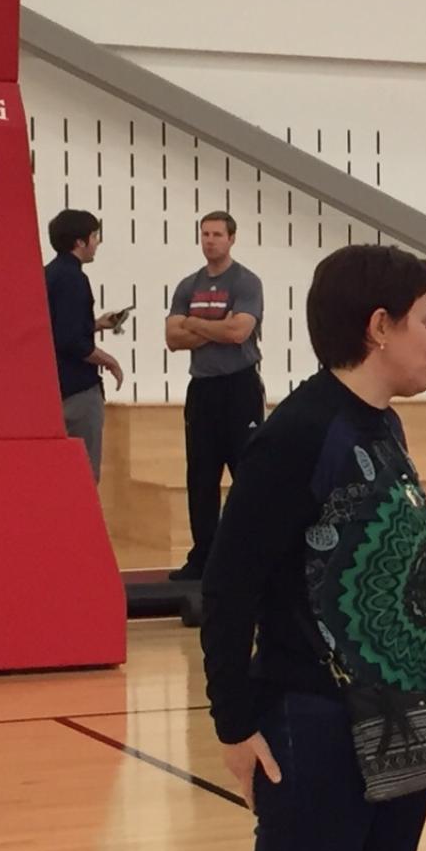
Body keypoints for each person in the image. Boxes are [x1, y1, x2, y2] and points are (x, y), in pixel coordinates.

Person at [199, 243, 426, 851]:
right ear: (379, 327)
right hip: (318, 724)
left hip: (400, 718)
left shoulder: (384, 424)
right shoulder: (299, 435)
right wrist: (234, 722)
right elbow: (230, 582)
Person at [166, 210, 265, 581]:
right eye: (205, 234)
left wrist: (194, 324)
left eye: (217, 234)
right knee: (201, 476)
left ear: (232, 238)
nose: (210, 240)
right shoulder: (188, 286)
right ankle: (203, 557)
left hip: (239, 386)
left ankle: (248, 555)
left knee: (248, 472)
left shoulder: (246, 282)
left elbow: (239, 333)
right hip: (203, 390)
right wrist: (216, 326)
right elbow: (173, 338)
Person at [44, 208, 123, 481]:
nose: (97, 242)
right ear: (80, 241)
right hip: (78, 391)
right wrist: (109, 361)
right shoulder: (75, 278)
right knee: (84, 478)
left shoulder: (49, 274)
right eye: (94, 236)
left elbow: (53, 330)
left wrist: (96, 324)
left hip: (53, 389)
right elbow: (71, 341)